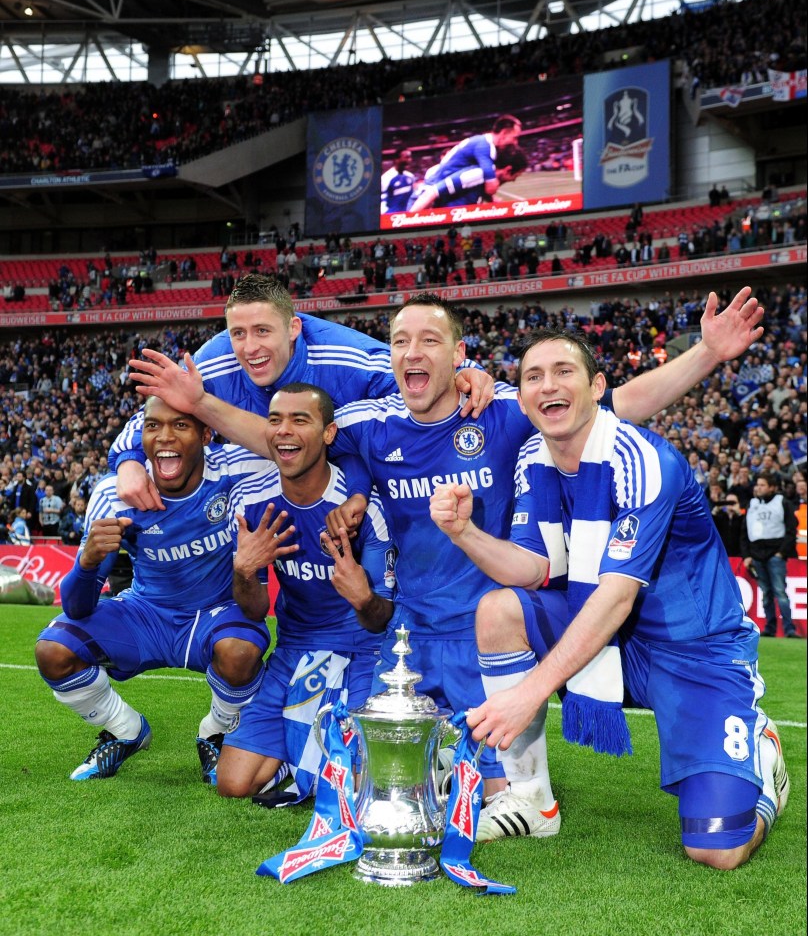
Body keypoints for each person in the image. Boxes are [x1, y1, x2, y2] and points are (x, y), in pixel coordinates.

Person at [128, 286, 766, 836]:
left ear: (459, 356)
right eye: (400, 340)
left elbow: (616, 406)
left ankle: (526, 787)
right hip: (405, 639)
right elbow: (283, 438)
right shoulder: (369, 424)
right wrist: (204, 406)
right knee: (380, 792)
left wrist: (707, 352)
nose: (412, 352)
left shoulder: (498, 413)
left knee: (484, 801)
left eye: (429, 340)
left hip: (486, 632)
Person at [430, 328, 789, 868]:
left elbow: (616, 598)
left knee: (717, 848)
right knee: (499, 609)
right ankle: (528, 798)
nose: (548, 385)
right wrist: (465, 534)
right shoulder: (534, 456)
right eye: (533, 376)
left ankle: (761, 761)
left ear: (598, 386)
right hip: (615, 637)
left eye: (563, 371)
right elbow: (534, 568)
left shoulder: (643, 459)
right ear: (521, 398)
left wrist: (528, 693)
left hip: (694, 651)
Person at [34, 396, 273, 783]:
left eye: (180, 426)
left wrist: (246, 571)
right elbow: (78, 607)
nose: (165, 437)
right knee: (54, 649)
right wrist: (88, 561)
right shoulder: (115, 493)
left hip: (214, 613)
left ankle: (216, 731)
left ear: (206, 434)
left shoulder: (239, 478)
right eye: (153, 426)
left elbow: (256, 609)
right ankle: (125, 729)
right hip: (145, 612)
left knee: (241, 651)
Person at [110, 273, 493, 511]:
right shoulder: (213, 362)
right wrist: (127, 464)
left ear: (294, 328)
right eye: (238, 334)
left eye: (263, 331)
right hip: (255, 485)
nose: (249, 348)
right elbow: (150, 415)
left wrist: (469, 372)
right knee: (112, 490)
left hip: (339, 485)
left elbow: (420, 366)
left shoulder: (347, 357)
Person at [216, 382, 394, 799]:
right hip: (295, 648)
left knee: (361, 788)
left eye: (300, 420)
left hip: (364, 650)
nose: (284, 431)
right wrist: (244, 571)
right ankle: (297, 762)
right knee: (233, 783)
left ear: (328, 434)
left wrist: (362, 597)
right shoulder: (252, 504)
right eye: (275, 420)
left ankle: (314, 761)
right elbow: (255, 610)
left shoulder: (363, 508)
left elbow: (381, 617)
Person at [411, 114, 523, 208]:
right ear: (503, 133)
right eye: (515, 137)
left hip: (439, 187)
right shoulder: (485, 147)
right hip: (433, 187)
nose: (515, 143)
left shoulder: (483, 143)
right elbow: (491, 187)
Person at [740, 472, 798, 638]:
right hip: (757, 555)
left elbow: (791, 529)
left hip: (775, 554)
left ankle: (789, 629)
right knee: (766, 595)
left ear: (772, 487)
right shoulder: (751, 504)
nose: (758, 488)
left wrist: (781, 553)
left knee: (780, 592)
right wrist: (746, 556)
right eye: (757, 484)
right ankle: (770, 628)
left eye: (762, 485)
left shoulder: (782, 503)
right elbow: (744, 532)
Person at [407, 147, 528, 213]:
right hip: (448, 226)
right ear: (507, 170)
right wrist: (408, 222)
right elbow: (432, 192)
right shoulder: (477, 173)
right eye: (516, 175)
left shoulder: (486, 179)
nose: (513, 180)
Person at [380, 149, 416, 214]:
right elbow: (382, 200)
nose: (410, 160)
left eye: (410, 157)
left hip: (409, 215)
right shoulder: (386, 178)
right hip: (392, 216)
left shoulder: (410, 176)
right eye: (406, 157)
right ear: (397, 159)